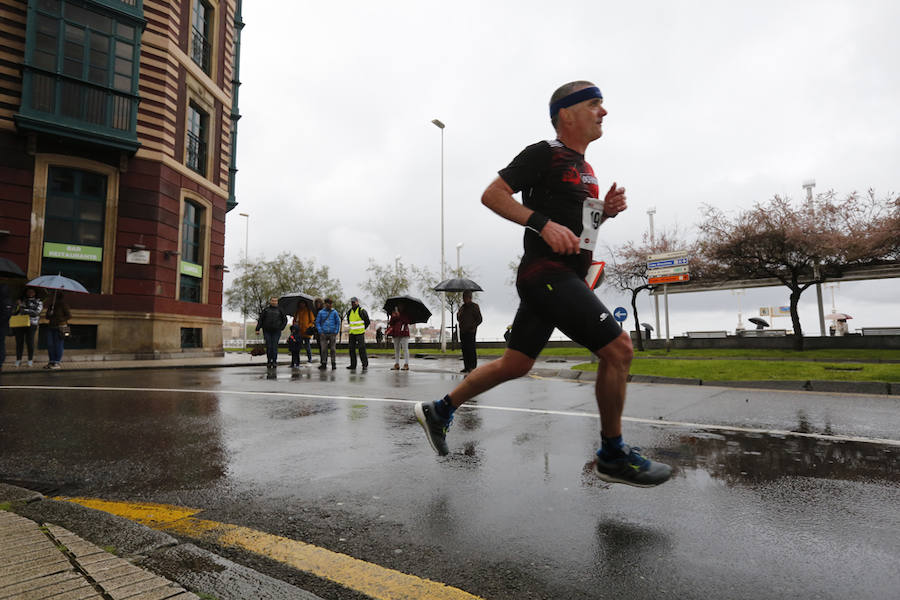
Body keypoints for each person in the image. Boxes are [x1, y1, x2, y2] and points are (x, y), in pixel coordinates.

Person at [414, 80, 672, 487]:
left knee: (516, 363)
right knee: (619, 350)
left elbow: (580, 229)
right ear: (566, 114)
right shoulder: (543, 153)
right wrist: (540, 223)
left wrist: (604, 213)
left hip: (564, 276)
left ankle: (440, 409)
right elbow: (492, 194)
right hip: (545, 275)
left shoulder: (585, 167)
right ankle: (612, 453)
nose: (603, 112)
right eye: (594, 104)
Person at [13, 287, 43, 367]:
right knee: (19, 342)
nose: (30, 293)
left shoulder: (38, 302)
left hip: (32, 324)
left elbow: (36, 313)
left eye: (32, 292)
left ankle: (30, 360)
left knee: (30, 342)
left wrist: (23, 309)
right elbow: (14, 312)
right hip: (20, 323)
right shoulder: (21, 300)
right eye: (28, 292)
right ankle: (18, 360)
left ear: (35, 293)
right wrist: (17, 305)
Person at [255, 297, 287, 368]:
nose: (274, 302)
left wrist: (281, 327)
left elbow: (284, 320)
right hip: (267, 331)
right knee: (269, 346)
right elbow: (261, 320)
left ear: (277, 302)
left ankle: (274, 361)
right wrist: (257, 329)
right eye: (272, 301)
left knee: (274, 346)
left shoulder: (280, 310)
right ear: (270, 301)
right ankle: (269, 361)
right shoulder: (266, 310)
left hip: (276, 331)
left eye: (275, 301)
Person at [457, 290, 482, 373]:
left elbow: (479, 319)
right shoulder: (462, 307)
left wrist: (473, 327)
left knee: (471, 349)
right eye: (463, 297)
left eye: (465, 297)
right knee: (464, 349)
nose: (464, 299)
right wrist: (459, 314)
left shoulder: (475, 306)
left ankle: (472, 367)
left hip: (471, 331)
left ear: (470, 297)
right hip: (463, 331)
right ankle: (466, 366)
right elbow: (458, 318)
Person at [45, 291, 71, 369]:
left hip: (61, 327)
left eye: (53, 296)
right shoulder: (51, 305)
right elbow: (47, 316)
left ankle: (57, 362)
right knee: (50, 344)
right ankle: (51, 361)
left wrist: (60, 319)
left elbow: (69, 315)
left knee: (58, 344)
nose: (51, 297)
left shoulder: (63, 305)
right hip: (51, 326)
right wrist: (50, 313)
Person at [315, 297, 341, 370]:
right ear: (325, 304)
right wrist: (320, 331)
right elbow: (317, 322)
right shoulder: (321, 312)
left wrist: (336, 331)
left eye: (330, 303)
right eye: (328, 303)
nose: (329, 305)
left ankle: (333, 363)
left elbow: (338, 322)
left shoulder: (334, 312)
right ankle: (324, 363)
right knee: (324, 349)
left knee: (333, 349)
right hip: (323, 333)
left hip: (332, 333)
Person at [345, 297, 370, 371]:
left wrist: (363, 329)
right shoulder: (349, 311)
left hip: (360, 333)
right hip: (352, 333)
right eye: (352, 302)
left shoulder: (362, 311)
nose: (353, 303)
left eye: (354, 302)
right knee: (351, 349)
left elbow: (367, 322)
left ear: (357, 302)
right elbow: (350, 322)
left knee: (362, 349)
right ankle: (353, 365)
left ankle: (364, 364)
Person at [387, 305, 410, 371]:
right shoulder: (394, 312)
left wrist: (399, 315)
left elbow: (407, 321)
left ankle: (406, 364)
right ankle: (397, 364)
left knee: (405, 349)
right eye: (398, 305)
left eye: (401, 305)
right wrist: (394, 316)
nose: (399, 307)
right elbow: (391, 323)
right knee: (396, 349)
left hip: (404, 333)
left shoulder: (406, 313)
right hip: (396, 333)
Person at [0, 283, 11, 373]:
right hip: (2, 327)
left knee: (1, 345)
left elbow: (6, 315)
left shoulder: (6, 301)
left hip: (2, 327)